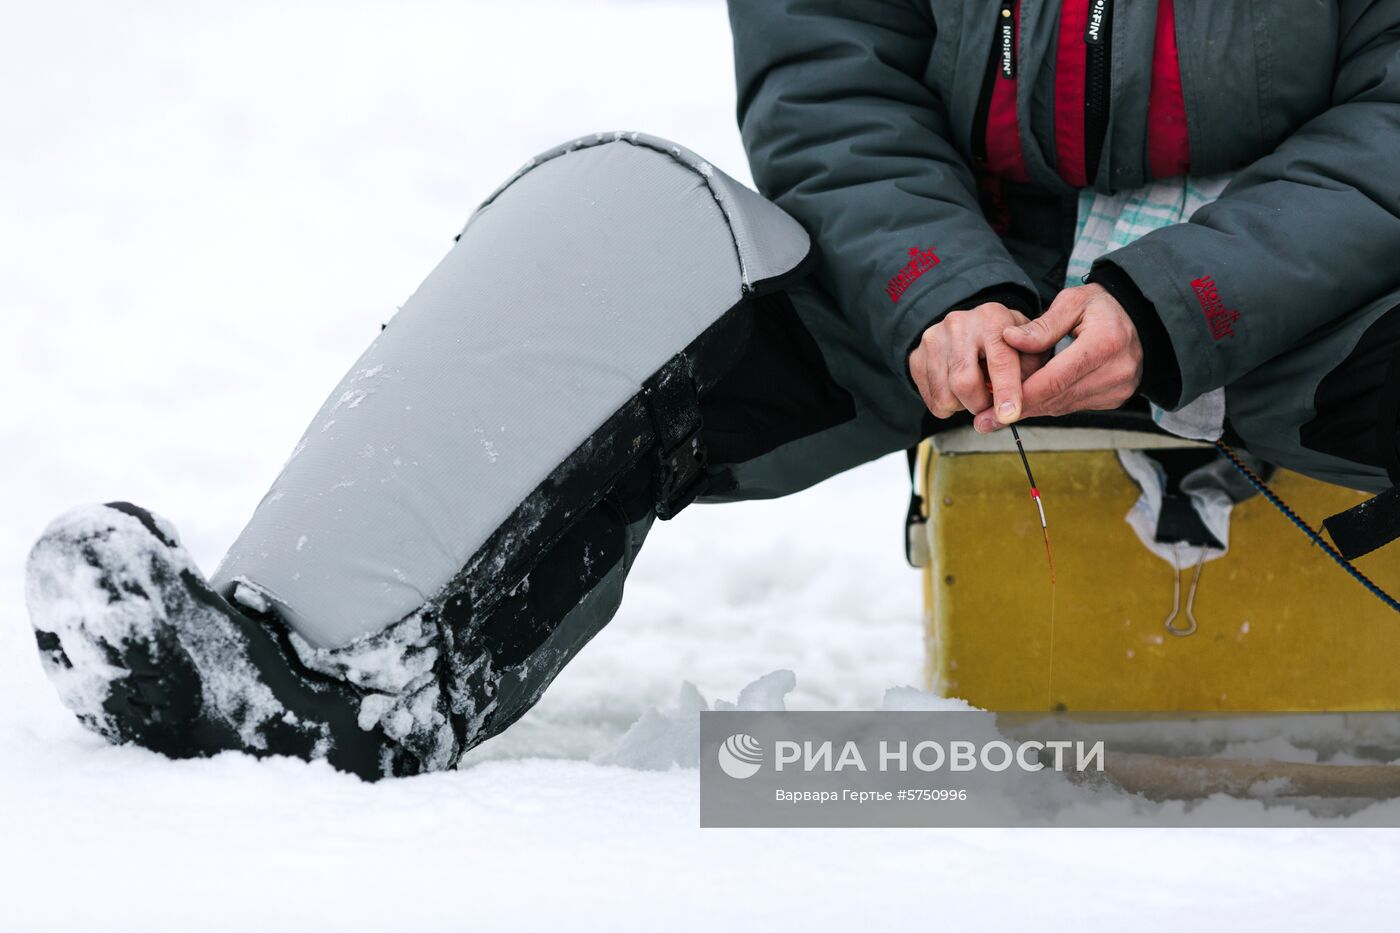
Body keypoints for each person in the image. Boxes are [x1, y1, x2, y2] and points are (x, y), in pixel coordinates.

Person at [26, 1, 1400, 779]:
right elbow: (829, 69)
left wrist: (1183, 301)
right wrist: (935, 286)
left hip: (1309, 303)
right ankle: (314, 677)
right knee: (631, 221)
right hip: (955, 289)